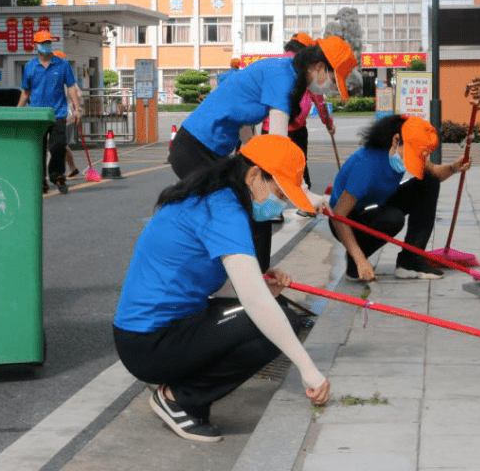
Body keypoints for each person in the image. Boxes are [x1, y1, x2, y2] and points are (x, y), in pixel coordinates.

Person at [113, 135, 331, 443]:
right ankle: (179, 399)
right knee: (274, 322)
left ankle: (181, 383)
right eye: (280, 195)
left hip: (167, 327)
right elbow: (254, 303)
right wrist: (309, 370)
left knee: (274, 318)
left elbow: (220, 282)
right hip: (149, 342)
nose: (280, 205)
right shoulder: (223, 209)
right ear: (254, 175)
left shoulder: (218, 197)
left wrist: (260, 281)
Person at [168, 35, 358, 270]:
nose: (330, 89)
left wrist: (247, 161)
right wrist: (305, 195)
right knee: (246, 212)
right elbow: (279, 150)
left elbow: (244, 122)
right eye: (332, 80)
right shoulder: (282, 76)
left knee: (253, 214)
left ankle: (257, 280)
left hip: (212, 152)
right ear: (319, 67)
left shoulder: (284, 73)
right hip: (194, 149)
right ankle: (249, 283)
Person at [328, 114, 469, 282]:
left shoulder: (405, 150)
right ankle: (354, 262)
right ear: (395, 140)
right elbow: (338, 216)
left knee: (429, 182)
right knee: (393, 218)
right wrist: (360, 258)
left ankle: (411, 260)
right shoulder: (365, 166)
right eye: (411, 155)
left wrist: (454, 167)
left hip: (376, 205)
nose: (414, 161)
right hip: (349, 220)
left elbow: (436, 173)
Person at [263, 32, 335, 193]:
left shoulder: (276, 64)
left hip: (270, 127)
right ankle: (306, 202)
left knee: (272, 167)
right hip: (296, 129)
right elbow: (319, 99)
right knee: (299, 165)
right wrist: (328, 123)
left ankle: (272, 207)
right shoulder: (307, 69)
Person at [17, 30, 81, 194]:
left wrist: (76, 108)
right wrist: (17, 111)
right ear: (36, 45)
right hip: (37, 115)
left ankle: (57, 176)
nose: (46, 45)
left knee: (59, 146)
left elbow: (71, 87)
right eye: (43, 43)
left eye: (48, 42)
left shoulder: (62, 64)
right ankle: (41, 180)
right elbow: (26, 92)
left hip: (57, 113)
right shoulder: (30, 67)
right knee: (39, 149)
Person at [52, 51, 82, 178]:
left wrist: (75, 107)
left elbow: (78, 93)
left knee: (58, 144)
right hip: (61, 114)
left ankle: (59, 170)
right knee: (61, 144)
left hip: (65, 115)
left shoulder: (63, 76)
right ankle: (70, 167)